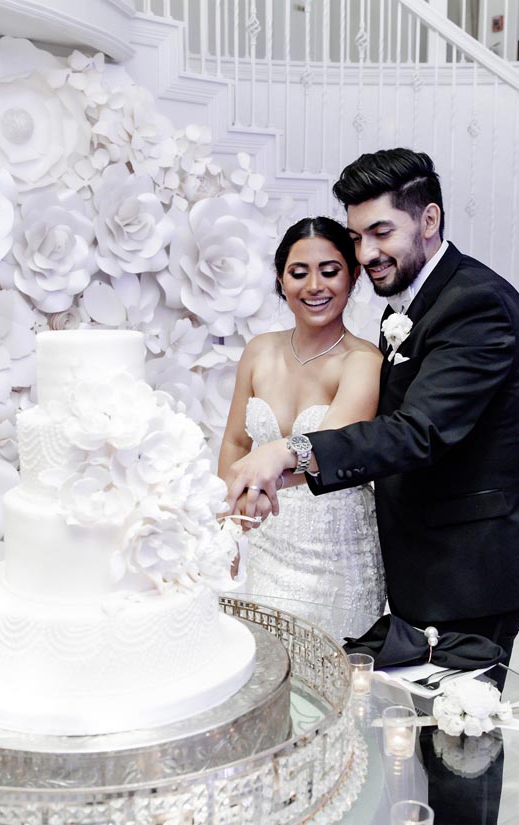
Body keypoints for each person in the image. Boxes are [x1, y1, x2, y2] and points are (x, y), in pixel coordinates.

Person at [225, 148, 519, 668]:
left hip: (469, 570)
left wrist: (288, 452)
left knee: (458, 732)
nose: (366, 252)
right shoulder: (405, 308)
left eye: (381, 233)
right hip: (418, 562)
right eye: (357, 238)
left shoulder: (476, 304)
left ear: (429, 219)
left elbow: (417, 432)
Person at [218, 216, 386, 638]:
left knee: (331, 678)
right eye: (299, 273)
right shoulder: (259, 351)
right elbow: (236, 442)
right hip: (265, 540)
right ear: (280, 280)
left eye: (330, 272)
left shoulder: (363, 362)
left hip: (335, 552)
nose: (315, 286)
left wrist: (256, 487)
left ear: (352, 278)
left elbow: (330, 450)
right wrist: (228, 530)